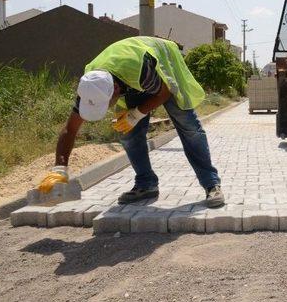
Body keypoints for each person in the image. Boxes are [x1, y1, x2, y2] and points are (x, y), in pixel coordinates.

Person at [37, 36, 225, 207]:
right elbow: (70, 130)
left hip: (159, 63)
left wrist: (136, 114)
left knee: (189, 127)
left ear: (116, 90)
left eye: (107, 104)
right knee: (128, 133)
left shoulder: (139, 70)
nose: (107, 108)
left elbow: (164, 92)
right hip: (126, 73)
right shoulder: (90, 86)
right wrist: (60, 169)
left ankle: (211, 184)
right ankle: (146, 184)